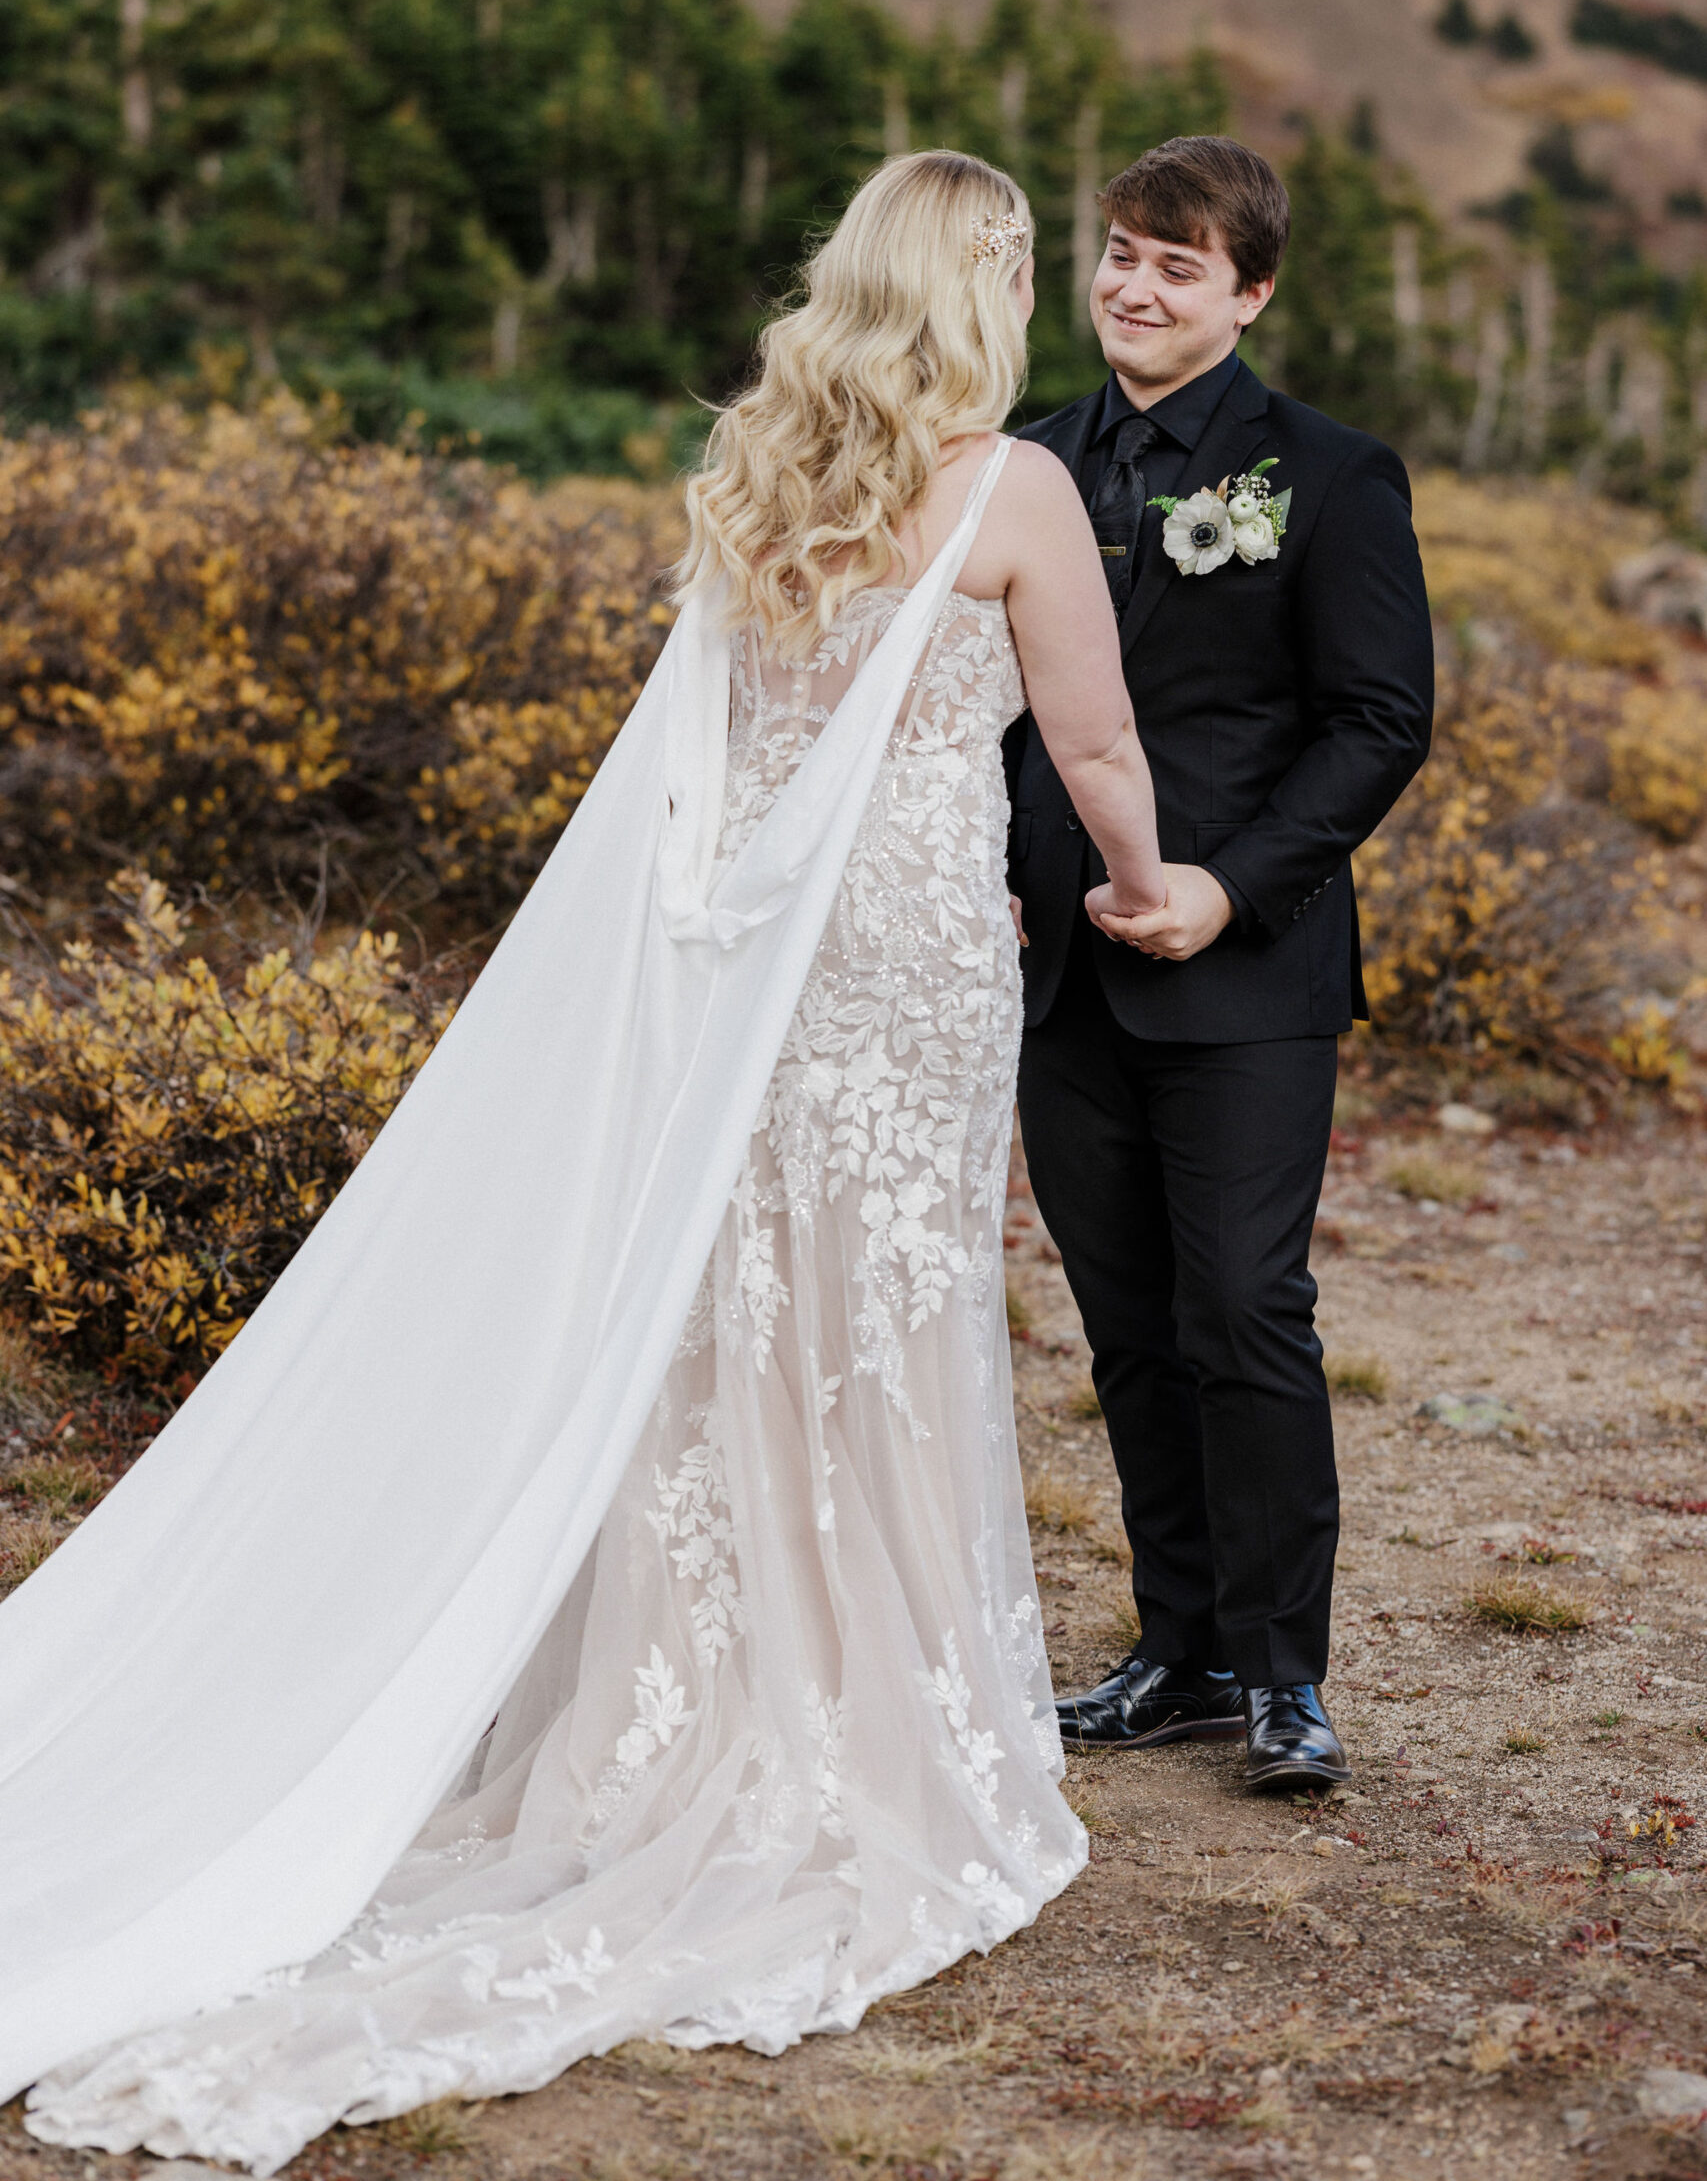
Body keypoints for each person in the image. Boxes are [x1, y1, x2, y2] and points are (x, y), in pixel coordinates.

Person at [1, 150, 1165, 2173]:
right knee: (880, 1312)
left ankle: (691, 1681)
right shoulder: (1014, 491)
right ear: (976, 292)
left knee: (725, 1294)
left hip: (747, 955)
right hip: (899, 948)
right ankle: (858, 1715)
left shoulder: (751, 461)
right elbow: (1089, 746)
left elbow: (701, 734)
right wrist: (1157, 885)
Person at [1006, 135, 1434, 1792]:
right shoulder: (1028, 461)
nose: (1134, 283)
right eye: (1120, 251)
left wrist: (1230, 891)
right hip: (1060, 975)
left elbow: (1378, 723)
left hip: (1244, 976)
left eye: (1178, 263)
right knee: (1124, 1327)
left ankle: (1282, 1679)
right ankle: (1176, 1649)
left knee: (1247, 1312)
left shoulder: (1329, 475)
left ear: (1249, 293)